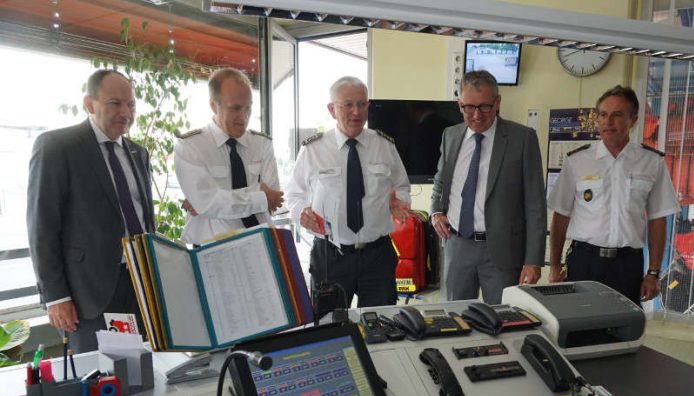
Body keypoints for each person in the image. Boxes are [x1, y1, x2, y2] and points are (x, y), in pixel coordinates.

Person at [27, 69, 155, 353]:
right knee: (104, 382)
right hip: (90, 292)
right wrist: (56, 296)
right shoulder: (58, 147)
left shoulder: (138, 153)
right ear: (89, 104)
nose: (126, 112)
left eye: (131, 104)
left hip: (141, 285)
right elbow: (42, 226)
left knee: (144, 375)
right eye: (115, 103)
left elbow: (146, 220)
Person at [285, 76, 411, 308]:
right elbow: (293, 195)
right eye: (348, 105)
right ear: (332, 110)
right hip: (331, 255)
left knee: (381, 326)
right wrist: (301, 212)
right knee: (330, 328)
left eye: (362, 104)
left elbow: (401, 186)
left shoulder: (384, 146)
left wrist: (399, 202)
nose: (356, 112)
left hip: (377, 255)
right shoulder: (313, 149)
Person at [548, 85, 679, 305]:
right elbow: (561, 216)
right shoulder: (577, 161)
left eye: (617, 115)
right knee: (580, 327)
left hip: (627, 264)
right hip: (584, 261)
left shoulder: (651, 162)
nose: (608, 122)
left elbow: (658, 219)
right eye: (603, 115)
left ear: (633, 119)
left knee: (623, 329)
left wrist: (653, 273)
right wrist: (554, 266)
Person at [430, 70, 546, 304]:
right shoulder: (450, 135)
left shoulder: (522, 139)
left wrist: (533, 261)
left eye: (484, 106)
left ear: (498, 102)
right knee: (455, 318)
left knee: (503, 321)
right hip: (457, 245)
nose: (476, 115)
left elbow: (535, 204)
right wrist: (435, 211)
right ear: (459, 104)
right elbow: (441, 180)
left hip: (502, 250)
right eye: (468, 107)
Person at [173, 67, 284, 245]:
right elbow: (209, 202)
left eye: (248, 108)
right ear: (213, 105)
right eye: (235, 108)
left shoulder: (262, 144)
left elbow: (274, 199)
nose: (244, 116)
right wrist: (260, 197)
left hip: (261, 244)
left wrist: (216, 200)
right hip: (211, 248)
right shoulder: (190, 146)